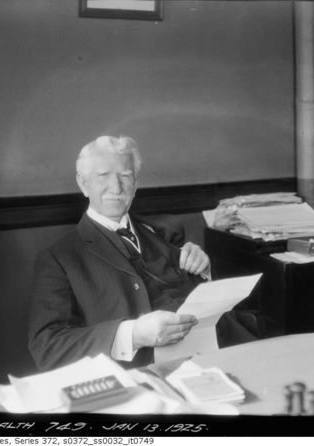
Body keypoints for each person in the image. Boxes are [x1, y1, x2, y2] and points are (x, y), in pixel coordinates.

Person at [28, 135, 256, 371]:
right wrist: (134, 334)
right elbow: (47, 348)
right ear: (83, 184)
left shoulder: (164, 231)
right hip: (150, 375)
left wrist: (204, 271)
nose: (116, 188)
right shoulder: (58, 259)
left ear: (135, 184)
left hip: (228, 350)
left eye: (125, 176)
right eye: (103, 176)